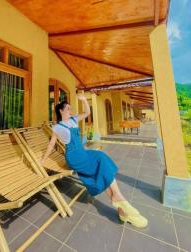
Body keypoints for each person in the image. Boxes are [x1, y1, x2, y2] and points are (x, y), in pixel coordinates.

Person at [41, 93, 148, 228]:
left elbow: (87, 112)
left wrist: (85, 100)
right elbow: (51, 144)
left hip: (83, 153)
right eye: (68, 108)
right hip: (74, 157)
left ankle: (120, 204)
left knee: (101, 160)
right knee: (100, 161)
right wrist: (43, 159)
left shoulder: (74, 120)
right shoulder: (57, 127)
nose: (71, 110)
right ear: (61, 111)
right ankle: (120, 203)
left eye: (70, 108)